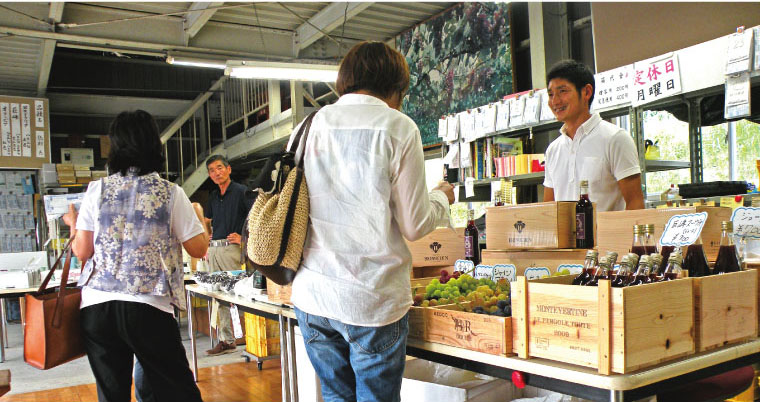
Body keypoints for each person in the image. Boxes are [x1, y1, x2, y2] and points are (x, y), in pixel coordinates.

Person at [287, 41, 455, 402]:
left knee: (335, 396)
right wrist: (442, 196)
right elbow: (415, 224)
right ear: (395, 88)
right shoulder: (398, 127)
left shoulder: (307, 125)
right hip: (371, 298)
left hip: (313, 293)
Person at [62, 110, 207, 402]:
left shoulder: (96, 190)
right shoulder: (170, 193)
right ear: (154, 144)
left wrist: (73, 225)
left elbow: (82, 250)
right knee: (177, 391)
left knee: (112, 394)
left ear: (115, 147)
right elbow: (198, 248)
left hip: (98, 306)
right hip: (148, 306)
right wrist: (199, 217)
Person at [542, 59, 645, 211]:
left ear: (586, 92)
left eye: (562, 91)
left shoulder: (615, 138)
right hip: (565, 236)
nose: (555, 101)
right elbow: (548, 209)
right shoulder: (553, 150)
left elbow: (635, 203)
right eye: (551, 94)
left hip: (608, 234)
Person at [203, 155, 255, 355]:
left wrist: (243, 238)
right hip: (214, 249)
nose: (216, 173)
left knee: (235, 293)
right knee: (217, 295)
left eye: (219, 168)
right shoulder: (214, 196)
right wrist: (207, 238)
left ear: (228, 169)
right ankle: (226, 339)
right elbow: (206, 220)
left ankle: (245, 337)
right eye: (212, 170)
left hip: (231, 250)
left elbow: (256, 217)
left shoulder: (242, 192)